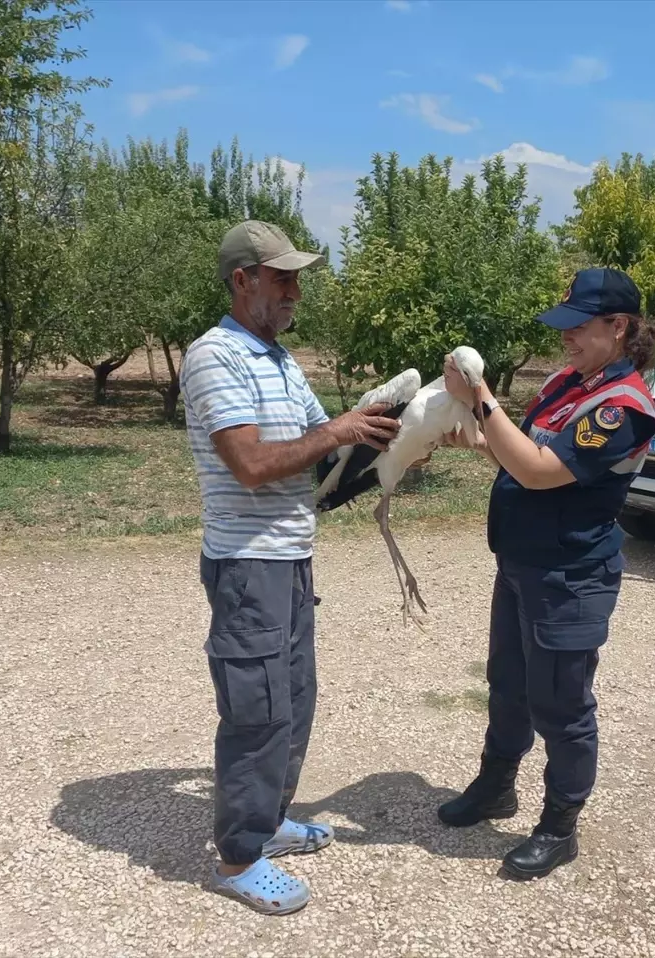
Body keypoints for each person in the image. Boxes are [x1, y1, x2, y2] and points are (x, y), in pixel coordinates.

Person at [180, 219, 405, 915]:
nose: (296, 291)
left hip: (290, 558)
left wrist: (389, 447)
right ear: (242, 280)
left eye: (297, 278)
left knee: (293, 701)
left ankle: (270, 821)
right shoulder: (216, 356)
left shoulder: (277, 359)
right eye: (283, 278)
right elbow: (250, 464)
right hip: (249, 565)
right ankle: (238, 856)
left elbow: (322, 457)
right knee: (257, 711)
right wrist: (337, 429)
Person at [436, 266, 655, 880]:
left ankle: (560, 825)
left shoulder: (622, 408)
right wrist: (473, 438)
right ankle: (496, 786)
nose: (564, 338)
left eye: (578, 327)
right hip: (521, 562)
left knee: (561, 705)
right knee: (507, 684)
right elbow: (522, 449)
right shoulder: (571, 381)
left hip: (570, 575)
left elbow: (539, 470)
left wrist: (479, 396)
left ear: (618, 328)